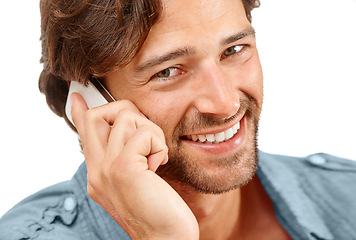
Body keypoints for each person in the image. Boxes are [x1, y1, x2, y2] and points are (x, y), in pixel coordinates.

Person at [1, 0, 356, 239]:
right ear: (90, 98)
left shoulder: (347, 195)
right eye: (169, 71)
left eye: (233, 51)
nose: (225, 102)